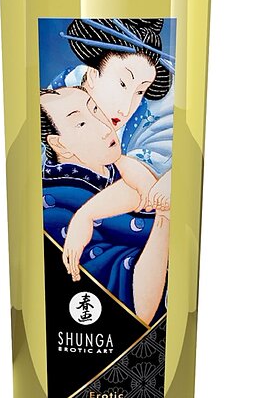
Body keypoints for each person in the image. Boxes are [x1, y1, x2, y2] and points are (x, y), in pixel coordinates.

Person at [41, 87, 170, 324]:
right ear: (59, 144)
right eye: (81, 124)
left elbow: (146, 191)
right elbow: (138, 310)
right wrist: (164, 216)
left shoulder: (117, 170)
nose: (104, 128)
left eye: (96, 110)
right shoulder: (54, 209)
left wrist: (87, 213)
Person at [47, 18, 175, 176]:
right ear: (93, 74)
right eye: (123, 84)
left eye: (140, 92)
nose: (125, 110)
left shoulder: (153, 115)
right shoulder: (59, 93)